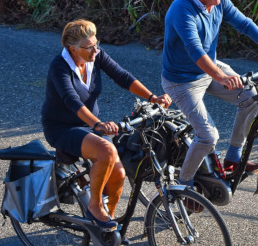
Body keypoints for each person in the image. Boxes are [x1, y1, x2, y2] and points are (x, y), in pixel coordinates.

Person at [161, 0, 258, 186]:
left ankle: (233, 157)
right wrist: (221, 77)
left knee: (252, 98)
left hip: (209, 68)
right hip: (181, 82)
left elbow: (245, 24)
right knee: (208, 136)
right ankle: (181, 187)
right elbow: (195, 51)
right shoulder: (181, 10)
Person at [42, 19, 171, 230]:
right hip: (61, 128)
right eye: (89, 47)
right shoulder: (60, 66)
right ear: (72, 48)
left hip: (89, 126)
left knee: (119, 175)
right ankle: (94, 207)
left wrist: (152, 98)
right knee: (107, 150)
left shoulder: (96, 56)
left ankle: (105, 226)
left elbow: (122, 76)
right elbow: (71, 101)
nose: (95, 50)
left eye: (96, 44)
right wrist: (99, 124)